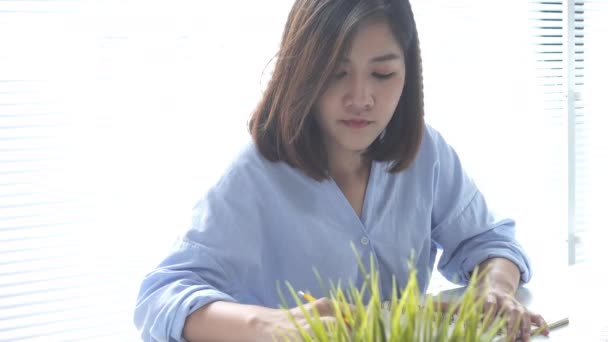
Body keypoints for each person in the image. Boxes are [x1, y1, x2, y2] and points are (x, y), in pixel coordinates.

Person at [134, 0, 548, 341]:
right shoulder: (253, 178)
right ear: (302, 74)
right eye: (336, 73)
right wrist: (271, 324)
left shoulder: (425, 152)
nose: (361, 98)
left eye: (382, 73)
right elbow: (160, 297)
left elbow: (490, 240)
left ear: (408, 74)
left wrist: (495, 288)